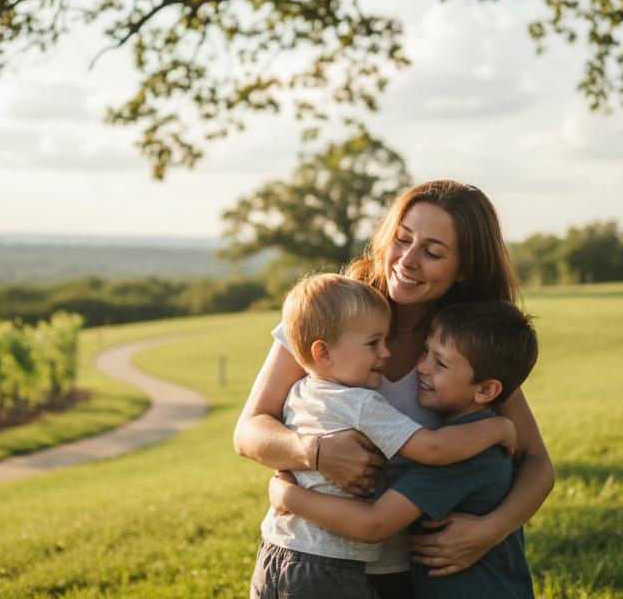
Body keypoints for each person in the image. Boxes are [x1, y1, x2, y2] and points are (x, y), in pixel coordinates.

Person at [235, 180, 555, 598]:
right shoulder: (333, 314)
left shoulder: (465, 345)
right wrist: (311, 452)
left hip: (411, 573)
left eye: (433, 252)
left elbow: (537, 463)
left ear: (465, 269)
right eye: (402, 240)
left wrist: (489, 531)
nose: (407, 260)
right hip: (313, 561)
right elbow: (249, 431)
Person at [251, 274, 518, 599]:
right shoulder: (361, 403)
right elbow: (432, 448)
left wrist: (283, 494)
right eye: (373, 343)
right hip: (328, 567)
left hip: (276, 551)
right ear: (323, 352)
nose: (386, 353)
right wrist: (498, 428)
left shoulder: (300, 392)